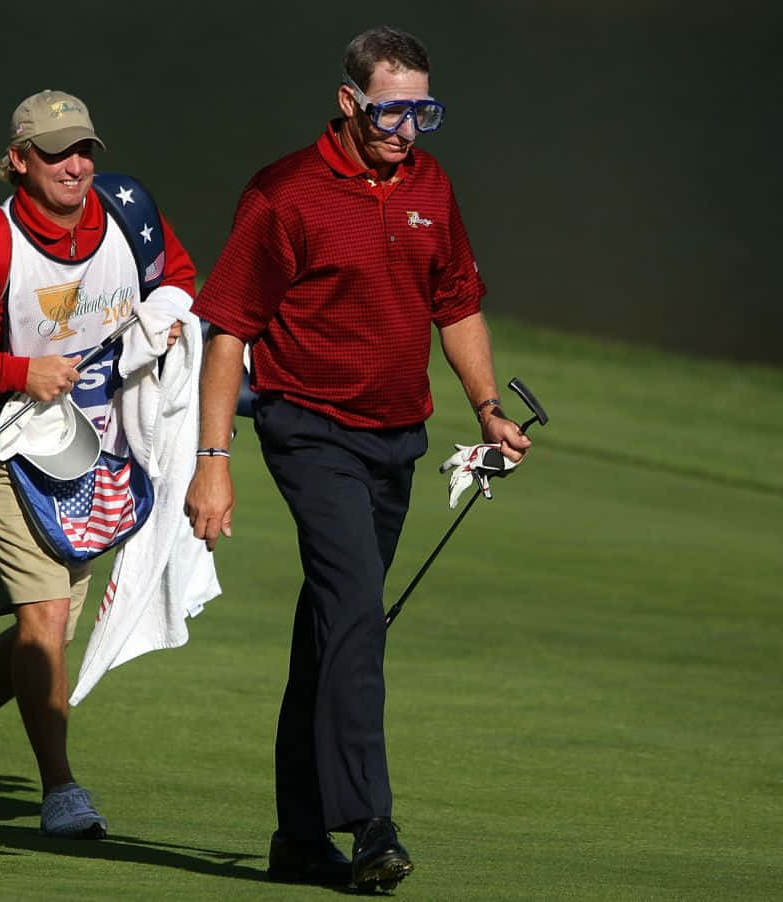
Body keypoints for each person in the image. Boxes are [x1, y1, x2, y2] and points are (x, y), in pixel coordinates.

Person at [184, 26, 532, 890]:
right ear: (348, 103)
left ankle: (298, 838)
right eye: (391, 111)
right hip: (308, 429)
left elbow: (456, 306)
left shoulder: (430, 186)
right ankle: (370, 822)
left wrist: (487, 408)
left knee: (329, 632)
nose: (407, 129)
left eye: (423, 112)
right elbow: (228, 331)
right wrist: (213, 459)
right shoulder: (285, 195)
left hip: (398, 437)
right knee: (355, 616)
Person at [0, 89, 196, 838]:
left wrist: (161, 317)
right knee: (46, 616)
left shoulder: (128, 211)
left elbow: (180, 279)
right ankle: (60, 790)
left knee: (48, 635)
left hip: (90, 446)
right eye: (57, 152)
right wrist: (15, 372)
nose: (76, 164)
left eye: (85, 148)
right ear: (19, 161)